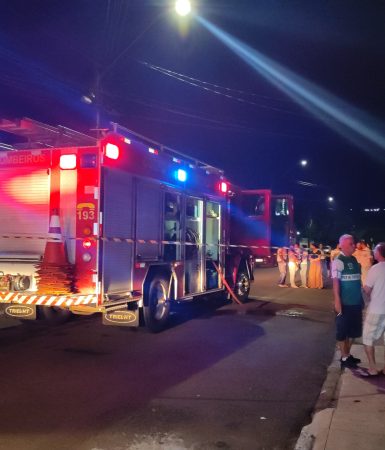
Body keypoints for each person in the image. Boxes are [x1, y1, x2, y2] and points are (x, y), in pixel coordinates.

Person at [331, 234, 363, 368]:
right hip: (345, 304)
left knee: (354, 332)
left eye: (353, 243)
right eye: (351, 244)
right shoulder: (338, 260)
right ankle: (344, 357)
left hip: (356, 302)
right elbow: (335, 283)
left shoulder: (354, 260)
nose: (354, 245)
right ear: (342, 245)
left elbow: (357, 281)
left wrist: (361, 298)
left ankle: (347, 355)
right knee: (342, 331)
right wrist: (337, 301)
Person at [361, 242, 385, 376]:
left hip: (377, 309)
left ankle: (372, 368)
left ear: (379, 253)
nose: (373, 252)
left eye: (375, 250)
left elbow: (367, 289)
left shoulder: (375, 269)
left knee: (367, 338)